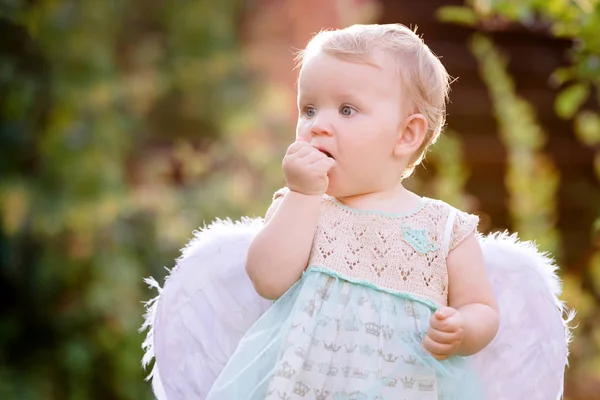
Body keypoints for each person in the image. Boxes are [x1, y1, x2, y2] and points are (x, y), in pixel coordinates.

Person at [205, 23, 499, 400]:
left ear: (406, 134)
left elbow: (481, 306)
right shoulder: (305, 206)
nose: (318, 126)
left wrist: (463, 327)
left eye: (346, 110)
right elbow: (267, 279)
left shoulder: (444, 228)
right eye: (309, 109)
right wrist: (303, 194)